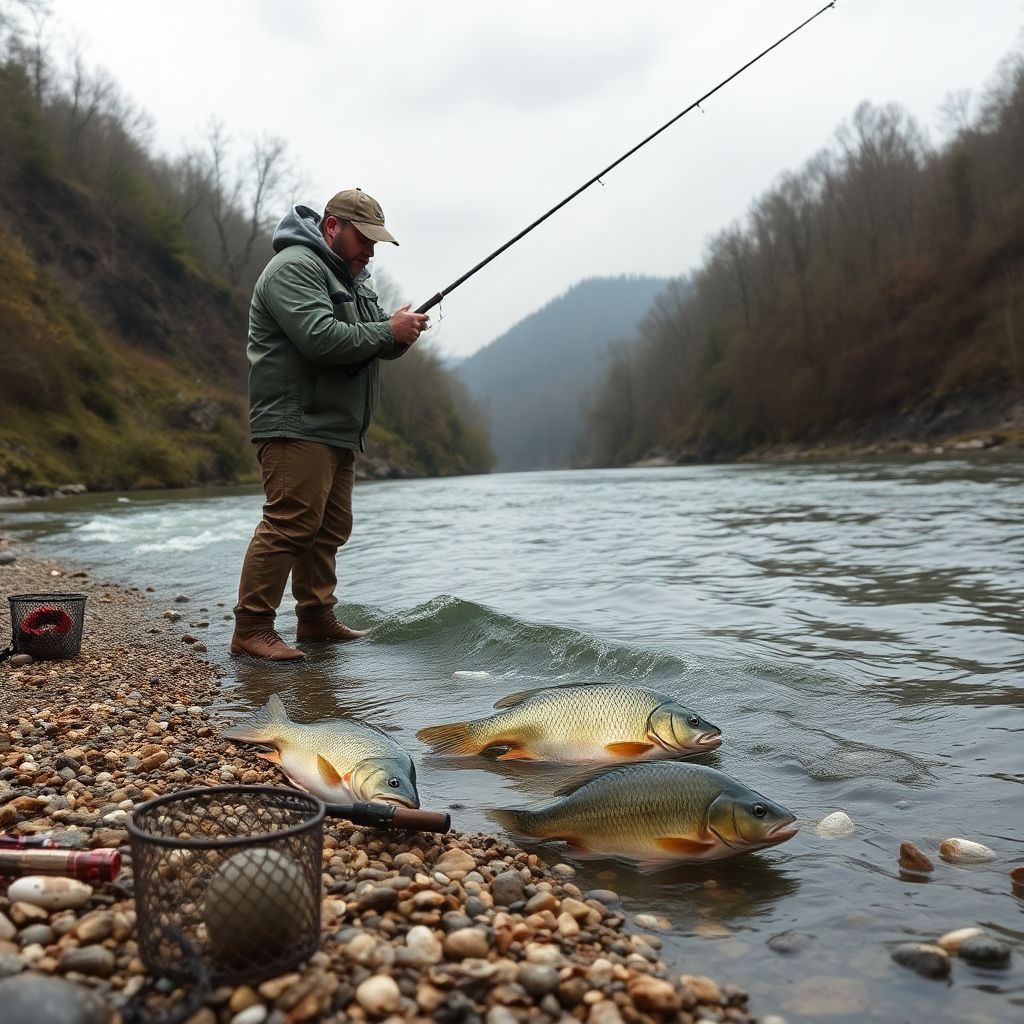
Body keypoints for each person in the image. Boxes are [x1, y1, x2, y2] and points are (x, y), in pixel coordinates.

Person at [231, 189, 428, 661]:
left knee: (328, 528)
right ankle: (252, 627)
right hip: (295, 422)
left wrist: (397, 333)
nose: (371, 251)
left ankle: (315, 620)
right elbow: (319, 338)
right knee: (290, 525)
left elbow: (367, 338)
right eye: (364, 239)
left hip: (335, 427)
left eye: (376, 243)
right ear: (333, 226)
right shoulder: (295, 267)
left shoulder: (352, 278)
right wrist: (387, 332)